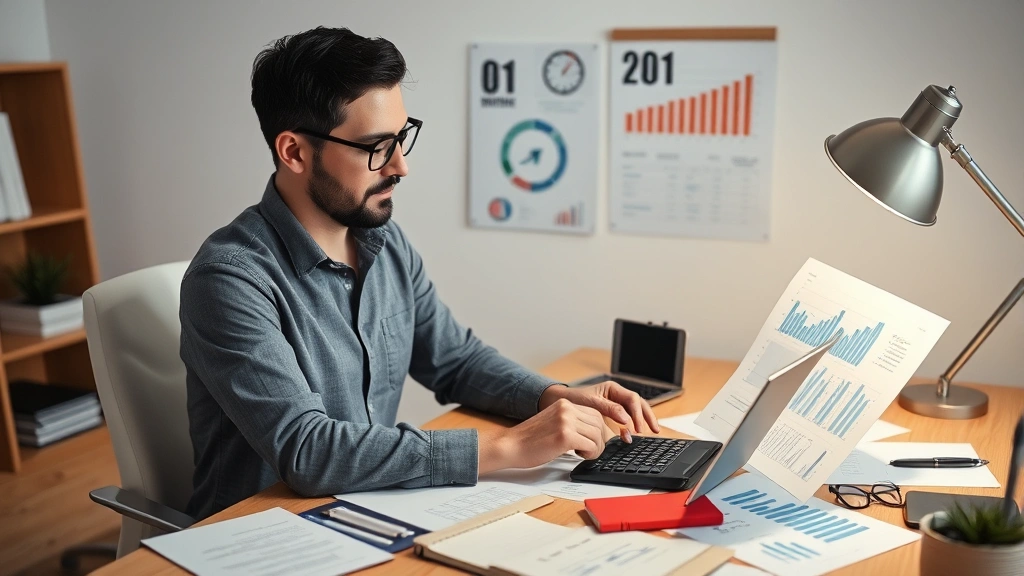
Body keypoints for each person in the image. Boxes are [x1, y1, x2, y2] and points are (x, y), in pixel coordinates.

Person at [179, 26, 659, 520]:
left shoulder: (383, 243)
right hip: (261, 535)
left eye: (401, 139)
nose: (400, 167)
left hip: (363, 511)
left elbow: (455, 360)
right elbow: (309, 451)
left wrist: (553, 398)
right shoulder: (228, 280)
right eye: (376, 147)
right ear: (295, 152)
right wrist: (508, 447)